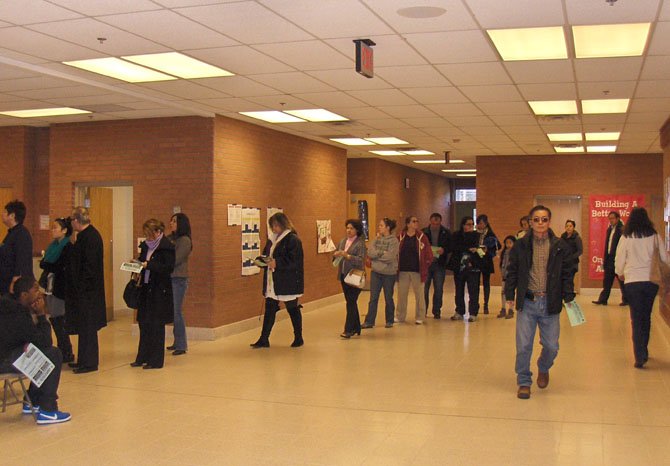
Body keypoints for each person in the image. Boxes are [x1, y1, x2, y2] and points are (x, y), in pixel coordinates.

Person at [505, 205, 575, 400]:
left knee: (552, 346)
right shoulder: (521, 245)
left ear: (549, 222)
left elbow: (568, 273)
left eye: (544, 219)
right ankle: (524, 381)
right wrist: (510, 294)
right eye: (536, 219)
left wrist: (568, 295)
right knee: (524, 345)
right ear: (530, 222)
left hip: (550, 303)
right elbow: (512, 271)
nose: (540, 223)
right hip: (528, 302)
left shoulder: (560, 246)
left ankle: (543, 367)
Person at [0, 277, 71, 424]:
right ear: (24, 295)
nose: (39, 294)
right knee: (53, 354)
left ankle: (32, 400)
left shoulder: (7, 305)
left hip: (7, 353)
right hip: (5, 360)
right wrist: (41, 314)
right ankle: (48, 409)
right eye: (36, 290)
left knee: (37, 354)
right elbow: (45, 342)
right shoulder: (18, 314)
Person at [615, 207, 668, 369]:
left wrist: (620, 273)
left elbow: (619, 261)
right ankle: (644, 349)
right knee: (646, 316)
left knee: (636, 318)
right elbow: (665, 258)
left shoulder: (626, 237)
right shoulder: (654, 236)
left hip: (632, 282)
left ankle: (640, 355)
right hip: (651, 282)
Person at [250, 212, 304, 348]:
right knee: (270, 308)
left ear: (283, 224)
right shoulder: (272, 239)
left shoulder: (293, 240)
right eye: (272, 226)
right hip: (272, 280)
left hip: (288, 281)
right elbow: (266, 254)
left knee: (292, 308)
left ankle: (298, 337)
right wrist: (262, 261)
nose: (274, 229)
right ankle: (264, 338)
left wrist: (277, 263)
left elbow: (295, 261)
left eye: (276, 225)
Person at [131, 219, 175, 369]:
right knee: (144, 323)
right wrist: (136, 264)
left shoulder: (167, 247)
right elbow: (143, 261)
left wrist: (148, 265)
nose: (147, 238)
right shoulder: (145, 246)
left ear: (158, 232)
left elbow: (168, 268)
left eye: (150, 235)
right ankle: (142, 356)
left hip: (159, 290)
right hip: (145, 288)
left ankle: (155, 360)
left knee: (156, 326)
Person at [68, 206, 106, 374]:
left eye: (72, 220)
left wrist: (81, 287)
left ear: (76, 221)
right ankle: (83, 359)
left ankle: (89, 363)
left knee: (88, 328)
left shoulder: (90, 237)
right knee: (84, 327)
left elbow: (89, 267)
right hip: (85, 291)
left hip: (88, 292)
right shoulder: (85, 236)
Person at [38, 217, 74, 363]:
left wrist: (47, 264)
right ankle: (62, 350)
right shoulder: (53, 246)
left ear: (64, 231)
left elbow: (58, 266)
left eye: (56, 227)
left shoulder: (67, 247)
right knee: (54, 318)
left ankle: (66, 351)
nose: (53, 230)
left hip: (60, 288)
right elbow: (43, 263)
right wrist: (47, 264)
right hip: (50, 286)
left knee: (59, 319)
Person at [395, 216, 433, 325]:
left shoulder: (422, 237)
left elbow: (428, 252)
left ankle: (420, 316)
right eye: (414, 221)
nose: (416, 223)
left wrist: (426, 263)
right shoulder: (401, 237)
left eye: (417, 221)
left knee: (420, 295)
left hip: (417, 271)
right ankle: (400, 316)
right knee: (402, 295)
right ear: (408, 224)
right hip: (403, 270)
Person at [362, 218, 399, 329]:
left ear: (388, 228)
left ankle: (389, 320)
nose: (379, 227)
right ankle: (369, 321)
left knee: (388, 297)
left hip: (389, 273)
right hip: (376, 272)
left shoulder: (394, 241)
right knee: (373, 298)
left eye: (381, 225)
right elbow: (369, 252)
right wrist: (381, 253)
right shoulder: (376, 239)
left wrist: (376, 256)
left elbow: (390, 257)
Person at [334, 219, 366, 338]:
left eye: (351, 228)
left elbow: (360, 260)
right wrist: (336, 254)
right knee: (351, 302)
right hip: (343, 275)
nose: (349, 230)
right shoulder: (343, 241)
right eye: (347, 228)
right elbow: (337, 254)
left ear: (357, 230)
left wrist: (347, 256)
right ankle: (356, 327)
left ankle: (348, 330)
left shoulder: (360, 243)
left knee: (351, 302)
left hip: (355, 276)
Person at [448, 216, 484, 322]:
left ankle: (473, 312)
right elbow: (454, 247)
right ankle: (459, 311)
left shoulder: (477, 236)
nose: (471, 226)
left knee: (473, 290)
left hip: (473, 267)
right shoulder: (456, 235)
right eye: (468, 224)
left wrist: (476, 250)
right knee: (459, 290)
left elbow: (482, 249)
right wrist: (467, 248)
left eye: (472, 224)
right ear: (463, 225)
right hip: (459, 267)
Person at [166, 213, 192, 356]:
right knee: (173, 311)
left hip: (179, 279)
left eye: (174, 221)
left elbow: (176, 259)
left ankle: (182, 345)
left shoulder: (185, 240)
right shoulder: (171, 239)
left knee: (177, 312)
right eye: (171, 221)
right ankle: (176, 342)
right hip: (170, 278)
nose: (171, 223)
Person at [593, 211, 627, 306]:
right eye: (609, 218)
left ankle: (626, 299)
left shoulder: (622, 229)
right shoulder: (609, 229)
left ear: (617, 218)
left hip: (618, 259)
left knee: (621, 281)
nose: (611, 220)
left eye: (612, 218)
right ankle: (603, 299)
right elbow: (607, 246)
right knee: (607, 281)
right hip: (609, 259)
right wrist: (605, 259)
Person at [0, 200, 34, 295]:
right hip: (5, 283)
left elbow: (21, 260)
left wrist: (14, 283)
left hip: (15, 286)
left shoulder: (21, 234)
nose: (2, 214)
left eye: (5, 212)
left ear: (12, 216)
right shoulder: (11, 233)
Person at [422, 213, 451, 319]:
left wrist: (444, 250)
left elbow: (450, 246)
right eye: (433, 223)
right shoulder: (423, 232)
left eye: (437, 224)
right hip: (426, 264)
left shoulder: (446, 232)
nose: (435, 226)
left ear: (440, 222)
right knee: (424, 288)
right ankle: (423, 310)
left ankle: (437, 310)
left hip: (439, 264)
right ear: (430, 221)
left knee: (438, 288)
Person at [476, 214, 501, 314]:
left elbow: (498, 245)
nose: (479, 225)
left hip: (486, 260)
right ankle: (475, 303)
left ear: (486, 224)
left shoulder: (490, 234)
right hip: (477, 260)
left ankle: (486, 304)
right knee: (475, 283)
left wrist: (489, 249)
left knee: (486, 283)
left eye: (481, 223)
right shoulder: (475, 234)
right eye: (478, 223)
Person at [497, 235, 516, 319]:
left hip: (511, 276)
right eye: (506, 243)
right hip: (504, 275)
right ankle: (503, 308)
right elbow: (502, 264)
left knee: (510, 293)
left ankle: (511, 309)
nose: (508, 244)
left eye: (510, 243)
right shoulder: (504, 253)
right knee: (503, 292)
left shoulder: (515, 253)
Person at [560, 219, 583, 285]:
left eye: (570, 226)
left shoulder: (577, 237)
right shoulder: (563, 236)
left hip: (572, 263)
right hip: (564, 263)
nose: (568, 228)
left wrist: (571, 258)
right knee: (563, 281)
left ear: (573, 227)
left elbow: (580, 251)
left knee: (569, 281)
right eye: (567, 226)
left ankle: (569, 294)